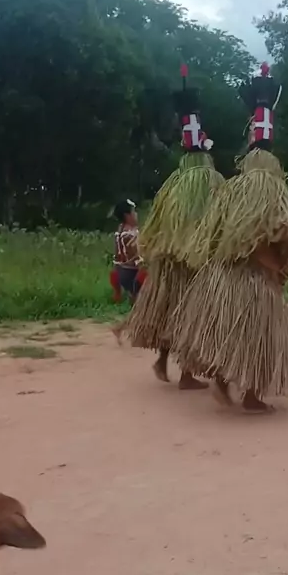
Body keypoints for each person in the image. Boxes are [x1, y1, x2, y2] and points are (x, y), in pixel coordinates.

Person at [172, 63, 288, 414]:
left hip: (223, 277)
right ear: (271, 160)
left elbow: (219, 232)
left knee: (233, 331)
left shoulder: (230, 189)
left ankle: (222, 381)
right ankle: (253, 396)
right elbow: (269, 234)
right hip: (254, 277)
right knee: (260, 335)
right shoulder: (269, 190)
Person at [122, 65, 223, 390]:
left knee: (170, 311)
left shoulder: (174, 186)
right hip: (191, 263)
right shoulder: (210, 182)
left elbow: (157, 225)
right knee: (190, 316)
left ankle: (163, 361)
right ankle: (188, 376)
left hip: (170, 260)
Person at [109, 199, 145, 305]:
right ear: (127, 216)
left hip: (122, 272)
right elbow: (137, 257)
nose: (136, 214)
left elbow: (117, 257)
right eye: (134, 212)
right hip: (131, 273)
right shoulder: (130, 235)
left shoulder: (120, 231)